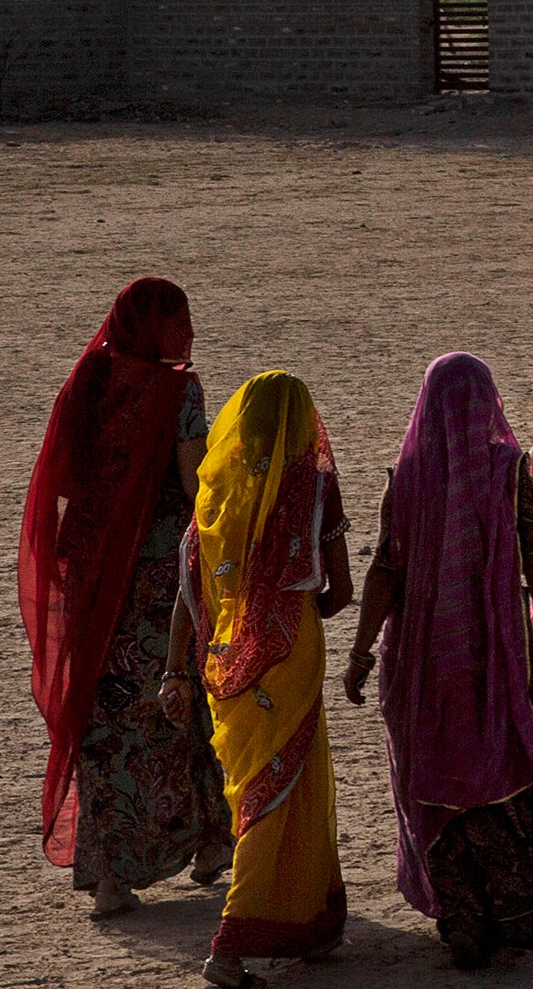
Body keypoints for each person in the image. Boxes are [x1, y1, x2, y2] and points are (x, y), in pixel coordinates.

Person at [342, 353, 533, 969]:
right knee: (499, 767)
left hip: (422, 662)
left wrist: (362, 652)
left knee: (437, 775)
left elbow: (386, 568)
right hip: (493, 657)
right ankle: (514, 910)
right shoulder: (507, 471)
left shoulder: (409, 476)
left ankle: (462, 913)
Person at [18, 277, 231, 920]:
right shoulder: (178, 391)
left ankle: (110, 875)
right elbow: (196, 483)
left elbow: (64, 473)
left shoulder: (88, 380)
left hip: (93, 574)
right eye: (181, 321)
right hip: (157, 582)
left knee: (104, 716)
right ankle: (213, 839)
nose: (188, 334)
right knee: (183, 700)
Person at [161, 371, 352, 988]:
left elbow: (189, 591)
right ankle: (231, 943)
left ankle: (309, 920)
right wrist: (293, 605)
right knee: (284, 789)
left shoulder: (217, 489)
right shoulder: (313, 483)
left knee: (259, 786)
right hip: (291, 654)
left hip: (227, 660)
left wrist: (174, 670)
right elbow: (338, 590)